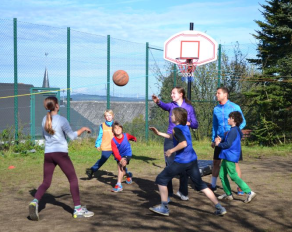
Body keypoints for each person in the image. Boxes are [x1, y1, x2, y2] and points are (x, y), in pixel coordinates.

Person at [149, 107, 226, 216]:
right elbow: (173, 137)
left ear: (177, 117)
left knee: (161, 178)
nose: (170, 116)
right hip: (192, 160)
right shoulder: (184, 127)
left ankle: (164, 207)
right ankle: (220, 207)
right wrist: (158, 133)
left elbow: (183, 143)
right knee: (200, 185)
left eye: (172, 115)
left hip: (182, 161)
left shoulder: (177, 129)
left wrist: (171, 150)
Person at [28, 96, 94, 221]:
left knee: (46, 182)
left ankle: (35, 201)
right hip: (61, 154)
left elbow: (44, 135)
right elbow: (73, 136)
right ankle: (78, 209)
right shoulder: (62, 120)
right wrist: (83, 129)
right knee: (73, 179)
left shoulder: (44, 120)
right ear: (57, 106)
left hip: (48, 154)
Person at [152, 87, 198, 200]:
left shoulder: (188, 107)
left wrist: (189, 123)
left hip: (181, 139)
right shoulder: (172, 105)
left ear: (181, 94)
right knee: (169, 165)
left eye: (174, 93)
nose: (171, 95)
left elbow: (195, 124)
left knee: (182, 167)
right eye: (171, 93)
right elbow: (164, 106)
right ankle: (168, 193)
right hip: (170, 138)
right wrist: (158, 102)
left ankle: (183, 192)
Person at [210, 87, 246, 196]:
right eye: (216, 93)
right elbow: (215, 126)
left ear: (225, 95)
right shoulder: (216, 109)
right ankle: (212, 185)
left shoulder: (234, 107)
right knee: (216, 162)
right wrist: (213, 139)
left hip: (231, 140)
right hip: (219, 140)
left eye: (218, 93)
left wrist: (232, 133)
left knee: (234, 164)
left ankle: (240, 187)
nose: (216, 95)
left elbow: (243, 122)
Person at [215, 111, 256, 203]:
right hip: (227, 156)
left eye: (230, 118)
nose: (228, 119)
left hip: (229, 156)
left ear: (234, 120)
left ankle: (249, 192)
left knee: (233, 176)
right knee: (222, 175)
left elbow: (228, 144)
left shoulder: (233, 131)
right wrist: (223, 140)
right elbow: (230, 141)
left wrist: (218, 144)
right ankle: (228, 194)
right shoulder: (236, 129)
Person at [86, 109, 114, 179]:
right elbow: (100, 135)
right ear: (105, 117)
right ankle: (92, 170)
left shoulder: (115, 124)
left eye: (110, 115)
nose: (108, 117)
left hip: (115, 146)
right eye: (106, 116)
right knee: (102, 160)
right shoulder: (102, 125)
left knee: (120, 160)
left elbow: (119, 135)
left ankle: (126, 174)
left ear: (112, 116)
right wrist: (98, 144)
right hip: (106, 146)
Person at [111, 121, 136, 192]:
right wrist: (120, 159)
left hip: (127, 154)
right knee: (123, 170)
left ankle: (119, 185)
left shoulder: (126, 135)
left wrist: (134, 138)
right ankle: (128, 175)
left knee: (120, 166)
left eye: (119, 128)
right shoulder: (113, 141)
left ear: (122, 129)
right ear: (113, 131)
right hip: (119, 155)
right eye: (115, 128)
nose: (118, 129)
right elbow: (115, 152)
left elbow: (131, 137)